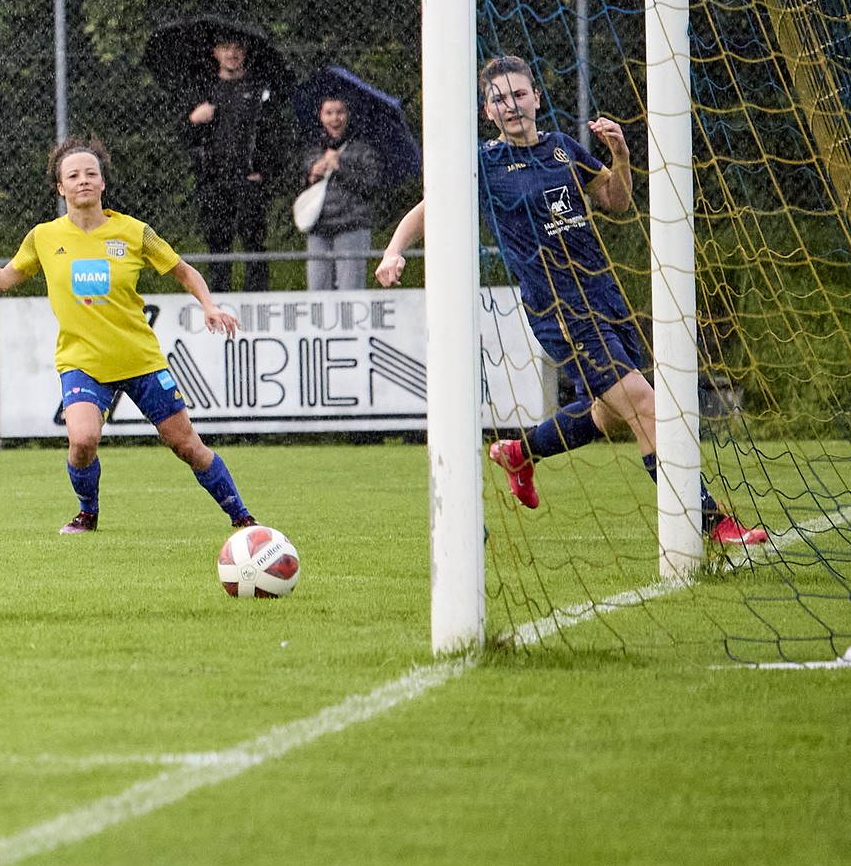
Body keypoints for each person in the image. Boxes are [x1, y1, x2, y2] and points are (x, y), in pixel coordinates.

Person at [374, 55, 766, 545]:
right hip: (559, 310)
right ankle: (712, 523)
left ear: (536, 98)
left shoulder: (563, 149)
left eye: (519, 94)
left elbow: (617, 200)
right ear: (487, 112)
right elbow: (427, 209)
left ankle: (522, 452)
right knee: (644, 403)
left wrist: (620, 154)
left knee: (607, 415)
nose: (511, 104)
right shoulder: (483, 164)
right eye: (499, 99)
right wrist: (394, 252)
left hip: (606, 298)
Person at [0, 136, 259, 536]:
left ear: (102, 184)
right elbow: (3, 278)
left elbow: (184, 270)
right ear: (60, 188)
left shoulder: (133, 232)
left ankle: (243, 518)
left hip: (140, 360)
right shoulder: (44, 237)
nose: (83, 180)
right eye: (73, 175)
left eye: (91, 174)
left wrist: (209, 304)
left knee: (187, 447)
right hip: (83, 363)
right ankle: (87, 513)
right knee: (81, 441)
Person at [183, 37, 293, 292]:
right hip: (214, 180)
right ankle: (218, 297)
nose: (232, 53)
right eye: (225, 48)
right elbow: (186, 138)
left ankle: (256, 297)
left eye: (237, 48)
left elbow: (273, 135)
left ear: (245, 52)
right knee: (217, 242)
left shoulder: (259, 90)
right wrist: (194, 120)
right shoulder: (205, 90)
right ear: (215, 52)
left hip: (248, 180)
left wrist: (263, 170)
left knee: (253, 240)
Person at [300, 95, 382, 291]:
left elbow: (371, 186)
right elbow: (299, 185)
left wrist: (340, 168)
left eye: (339, 112)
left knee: (350, 292)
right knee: (317, 291)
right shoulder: (313, 148)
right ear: (321, 116)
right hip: (318, 227)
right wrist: (312, 175)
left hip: (352, 226)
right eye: (329, 113)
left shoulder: (363, 148)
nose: (334, 119)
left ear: (348, 115)